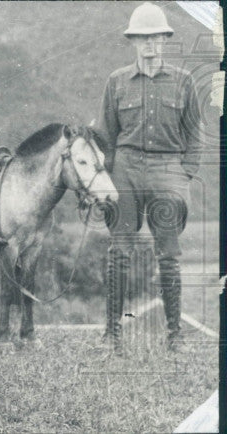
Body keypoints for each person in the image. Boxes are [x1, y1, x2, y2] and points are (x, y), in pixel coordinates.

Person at [96, 2, 203, 352]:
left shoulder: (184, 82)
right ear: (133, 42)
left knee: (169, 255)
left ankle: (175, 334)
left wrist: (183, 175)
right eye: (142, 38)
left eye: (156, 37)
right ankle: (112, 333)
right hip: (125, 170)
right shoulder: (116, 81)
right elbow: (106, 137)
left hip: (168, 170)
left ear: (165, 39)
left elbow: (194, 137)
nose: (150, 45)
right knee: (119, 252)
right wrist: (108, 181)